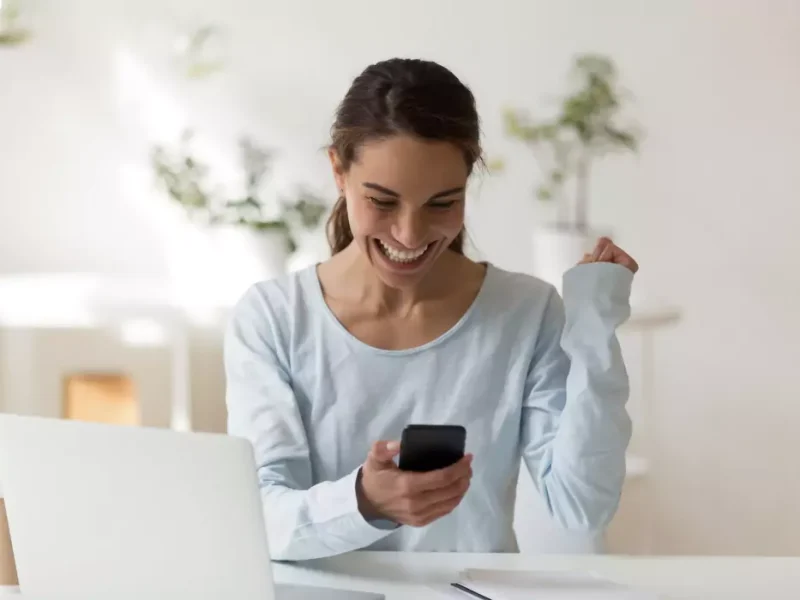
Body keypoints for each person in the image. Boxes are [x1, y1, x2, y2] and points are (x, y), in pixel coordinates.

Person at [224, 58, 638, 562]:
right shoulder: (274, 318)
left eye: (442, 203)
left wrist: (594, 327)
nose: (410, 235)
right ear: (338, 170)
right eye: (382, 201)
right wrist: (363, 501)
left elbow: (581, 507)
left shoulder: (525, 313)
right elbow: (259, 519)